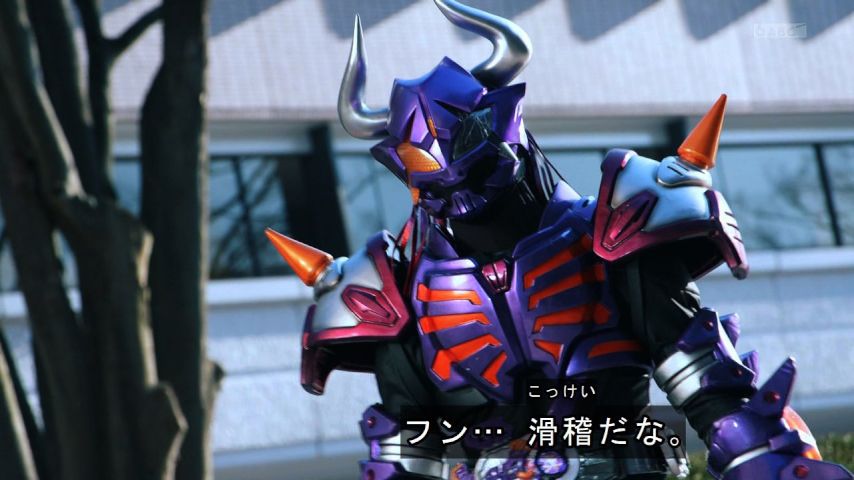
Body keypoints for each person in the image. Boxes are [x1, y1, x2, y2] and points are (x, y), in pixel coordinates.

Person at [265, 1, 854, 478]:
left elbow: (704, 382)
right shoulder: (393, 288)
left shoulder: (615, 229)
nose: (458, 189)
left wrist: (762, 461)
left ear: (505, 125)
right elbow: (406, 451)